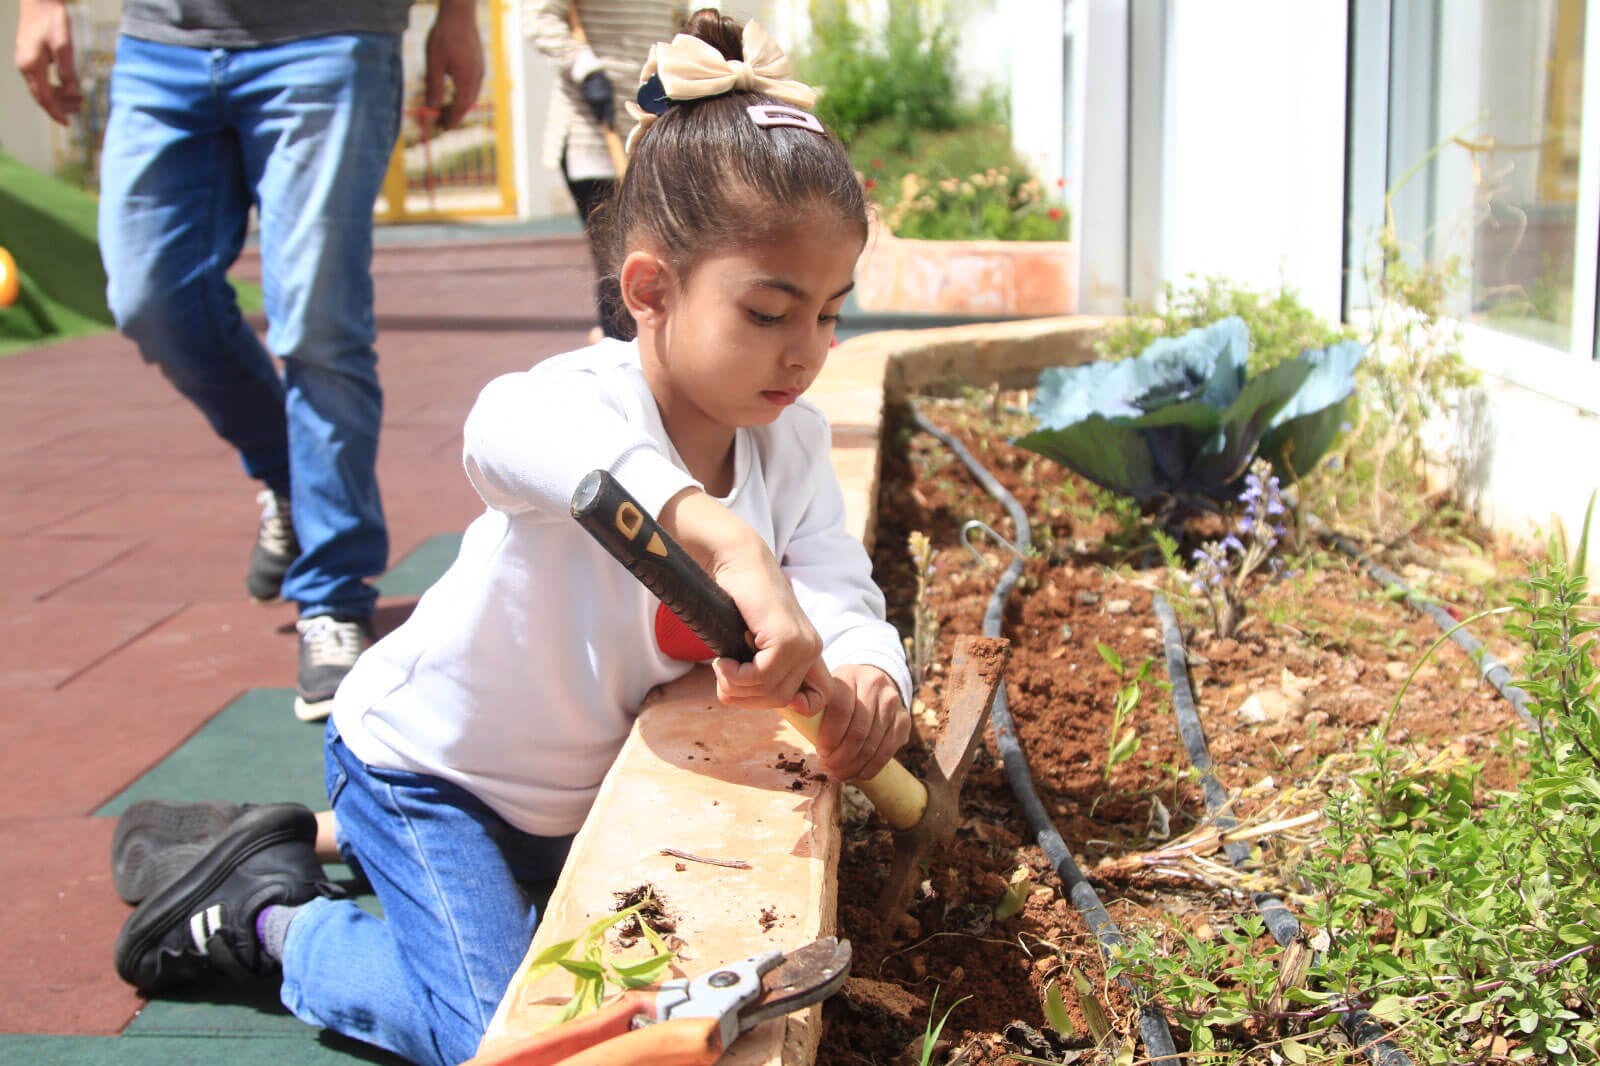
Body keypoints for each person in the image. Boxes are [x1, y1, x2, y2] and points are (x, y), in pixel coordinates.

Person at [106, 12, 914, 1065]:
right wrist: (711, 530)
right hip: (427, 773)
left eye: (828, 314)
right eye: (768, 312)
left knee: (572, 949)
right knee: (508, 1033)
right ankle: (265, 919)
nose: (804, 350)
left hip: (558, 800)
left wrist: (867, 666)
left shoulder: (792, 446)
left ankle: (302, 837)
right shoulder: (585, 399)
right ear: (650, 291)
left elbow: (842, 587)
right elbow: (504, 432)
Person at [12, 0, 484, 722]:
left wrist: (459, 15)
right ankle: (291, 478)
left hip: (332, 31)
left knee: (320, 325)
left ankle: (331, 595)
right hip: (163, 37)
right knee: (149, 299)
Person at [525, 0, 680, 341]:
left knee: (660, 252)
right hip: (592, 128)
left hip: (650, 123)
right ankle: (621, 362)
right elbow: (539, 17)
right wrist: (585, 68)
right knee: (618, 260)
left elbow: (675, 24)